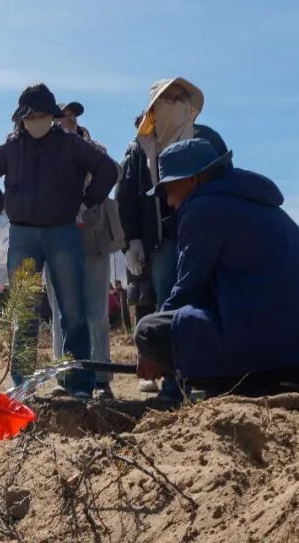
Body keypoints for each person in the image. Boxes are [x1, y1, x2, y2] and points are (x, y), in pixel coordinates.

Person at [134, 139, 299, 394]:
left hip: (281, 356)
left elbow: (188, 289)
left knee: (149, 331)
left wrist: (152, 353)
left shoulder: (202, 208)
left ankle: (241, 386)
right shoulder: (255, 202)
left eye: (169, 189)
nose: (168, 201)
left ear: (193, 180)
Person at [0, 84, 118, 399]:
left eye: (43, 115)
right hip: (23, 235)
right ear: (21, 118)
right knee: (24, 311)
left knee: (73, 310)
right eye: (32, 115)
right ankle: (23, 384)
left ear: (52, 116)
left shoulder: (70, 144)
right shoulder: (11, 147)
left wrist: (87, 201)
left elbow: (108, 169)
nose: (38, 120)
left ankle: (79, 384)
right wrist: (2, 206)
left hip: (63, 232)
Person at [117, 80, 227, 400]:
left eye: (181, 98)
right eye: (169, 98)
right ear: (155, 107)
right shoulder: (141, 149)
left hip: (202, 235)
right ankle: (174, 383)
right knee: (169, 304)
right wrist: (133, 240)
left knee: (206, 301)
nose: (176, 103)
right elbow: (127, 197)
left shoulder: (206, 139)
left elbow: (224, 179)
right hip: (161, 240)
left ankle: (210, 376)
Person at [45, 101, 125, 399]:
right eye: (62, 115)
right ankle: (64, 377)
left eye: (72, 114)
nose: (68, 119)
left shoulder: (96, 148)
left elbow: (113, 172)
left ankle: (101, 378)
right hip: (57, 239)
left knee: (96, 311)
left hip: (92, 237)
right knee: (60, 313)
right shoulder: (45, 153)